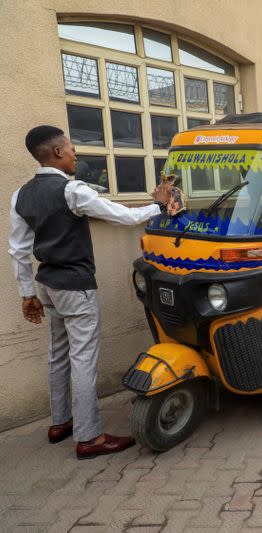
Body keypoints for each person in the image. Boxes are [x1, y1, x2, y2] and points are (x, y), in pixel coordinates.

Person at [9, 125, 173, 458]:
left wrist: (28, 294)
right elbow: (123, 216)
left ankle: (61, 424)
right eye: (70, 148)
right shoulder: (73, 191)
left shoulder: (20, 195)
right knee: (83, 359)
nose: (75, 153)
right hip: (76, 287)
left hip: (48, 287)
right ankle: (89, 437)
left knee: (58, 355)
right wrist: (158, 205)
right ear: (57, 152)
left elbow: (18, 249)